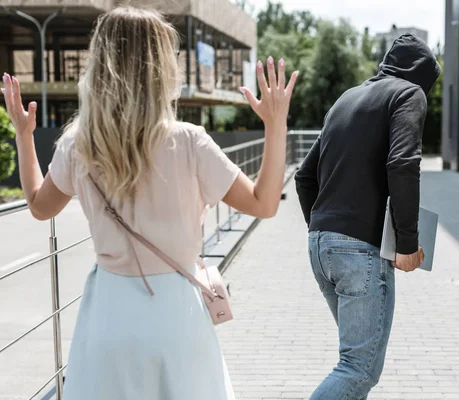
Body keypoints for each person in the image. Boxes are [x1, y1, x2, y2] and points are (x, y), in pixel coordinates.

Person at [2, 7, 297, 400]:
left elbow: (39, 206)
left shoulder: (78, 143)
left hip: (108, 313)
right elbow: (264, 203)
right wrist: (275, 125)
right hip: (178, 315)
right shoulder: (190, 142)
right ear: (160, 68)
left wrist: (24, 136)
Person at [295, 34, 441, 399]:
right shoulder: (409, 94)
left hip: (320, 247)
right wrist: (407, 242)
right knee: (357, 371)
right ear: (422, 75)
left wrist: (325, 231)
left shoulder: (346, 99)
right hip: (358, 253)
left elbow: (303, 177)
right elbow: (403, 163)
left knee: (353, 366)